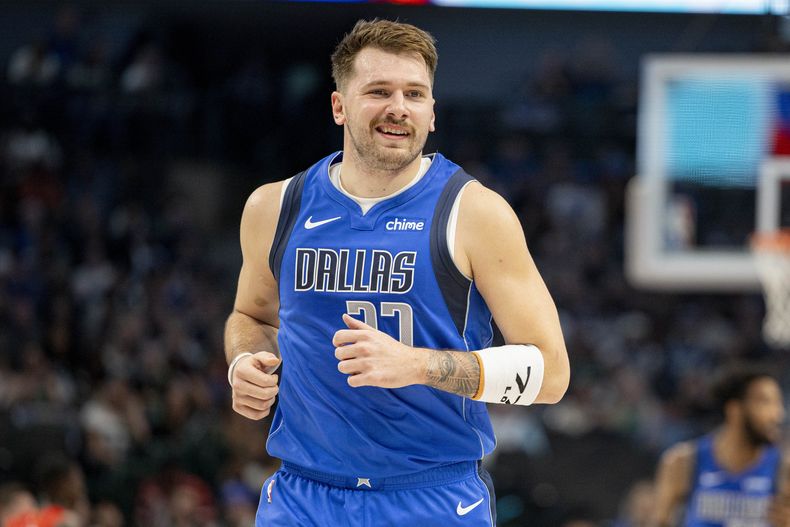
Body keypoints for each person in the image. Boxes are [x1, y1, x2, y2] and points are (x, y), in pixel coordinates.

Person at [224, 19, 570, 526]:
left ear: (432, 114)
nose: (399, 108)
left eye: (415, 94)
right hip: (303, 493)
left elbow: (552, 374)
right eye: (379, 91)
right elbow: (249, 315)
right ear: (339, 106)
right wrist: (245, 361)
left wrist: (417, 366)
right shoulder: (274, 206)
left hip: (430, 496)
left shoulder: (474, 212)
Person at [652, 366, 790, 527]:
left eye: (778, 403)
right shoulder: (683, 462)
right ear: (735, 409)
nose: (778, 414)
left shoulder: (784, 469)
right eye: (765, 402)